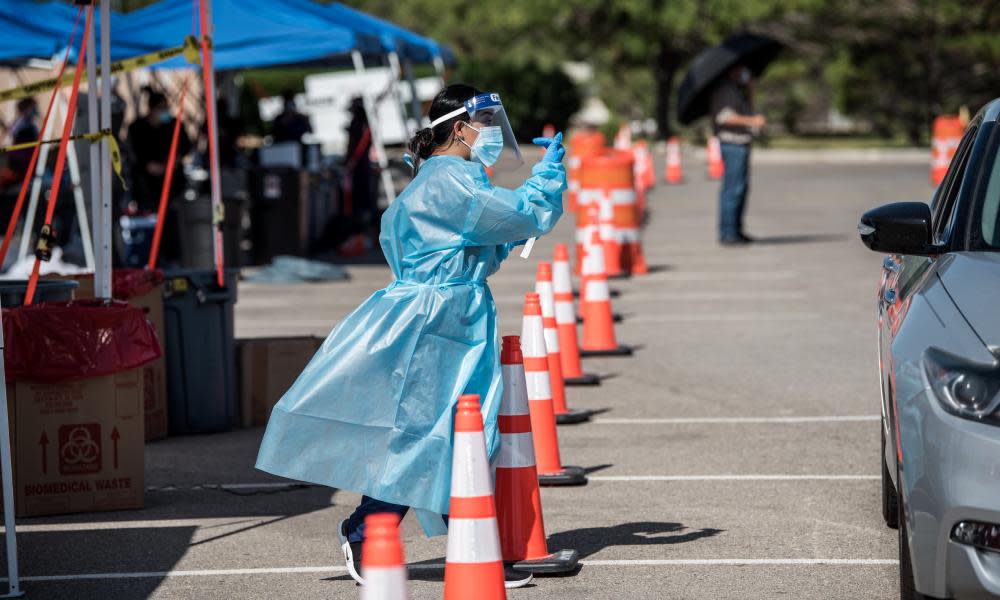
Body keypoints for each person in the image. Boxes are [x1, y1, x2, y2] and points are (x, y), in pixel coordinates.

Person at [256, 84, 566, 584]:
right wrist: (546, 181)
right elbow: (518, 218)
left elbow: (489, 240)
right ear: (460, 129)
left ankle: (474, 543)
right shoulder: (450, 183)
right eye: (483, 124)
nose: (489, 133)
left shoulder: (455, 177)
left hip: (452, 315)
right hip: (437, 321)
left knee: (455, 433)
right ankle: (368, 531)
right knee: (429, 433)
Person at [126, 87, 191, 264]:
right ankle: (152, 259)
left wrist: (174, 162)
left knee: (171, 225)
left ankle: (171, 258)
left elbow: (185, 147)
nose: (164, 112)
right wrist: (150, 166)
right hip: (147, 189)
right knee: (151, 227)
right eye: (161, 108)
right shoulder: (137, 128)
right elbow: (134, 156)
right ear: (152, 109)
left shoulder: (173, 125)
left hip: (172, 186)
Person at [710, 64, 766, 246]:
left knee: (741, 188)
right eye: (740, 69)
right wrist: (753, 120)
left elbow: (748, 111)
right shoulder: (724, 90)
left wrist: (750, 91)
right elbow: (724, 117)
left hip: (742, 143)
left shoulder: (736, 90)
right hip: (732, 144)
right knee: (733, 189)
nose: (744, 73)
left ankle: (737, 229)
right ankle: (728, 232)